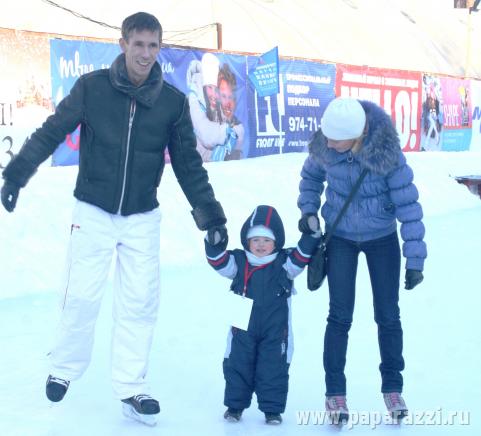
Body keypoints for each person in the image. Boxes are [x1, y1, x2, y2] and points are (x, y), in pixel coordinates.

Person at [0, 11, 228, 423]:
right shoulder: (93, 89)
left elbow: (188, 166)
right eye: (137, 44)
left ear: (160, 48)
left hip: (142, 215)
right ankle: (64, 369)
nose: (145, 53)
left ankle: (132, 388)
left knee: (140, 303)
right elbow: (52, 132)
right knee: (81, 295)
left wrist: (210, 217)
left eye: (152, 45)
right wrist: (16, 174)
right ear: (122, 44)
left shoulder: (172, 103)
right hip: (93, 208)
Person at [297, 97, 427, 423]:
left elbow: (409, 207)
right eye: (325, 136)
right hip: (340, 239)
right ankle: (335, 394)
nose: (327, 143)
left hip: (381, 240)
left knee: (387, 315)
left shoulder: (387, 155)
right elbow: (310, 179)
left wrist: (415, 259)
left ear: (357, 134)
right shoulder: (326, 145)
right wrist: (309, 213)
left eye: (335, 139)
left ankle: (393, 388)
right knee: (339, 317)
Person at [204, 205, 320, 424]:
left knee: (273, 364)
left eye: (266, 240)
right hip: (242, 322)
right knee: (238, 362)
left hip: (275, 326)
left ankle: (272, 409)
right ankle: (235, 406)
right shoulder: (238, 262)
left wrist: (311, 233)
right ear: (247, 242)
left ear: (276, 242)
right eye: (255, 240)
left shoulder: (285, 263)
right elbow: (218, 262)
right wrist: (213, 242)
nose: (260, 245)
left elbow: (303, 254)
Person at [212, 63, 244, 161]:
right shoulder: (207, 121)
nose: (228, 103)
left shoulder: (239, 129)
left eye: (231, 97)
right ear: (217, 96)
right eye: (224, 96)